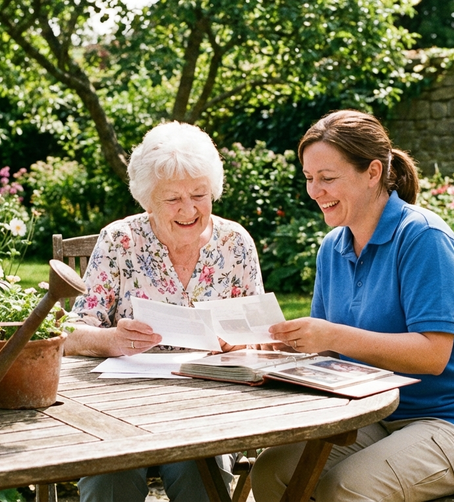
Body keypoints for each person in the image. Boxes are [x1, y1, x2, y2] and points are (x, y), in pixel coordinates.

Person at [250, 110, 454, 502]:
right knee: (271, 472)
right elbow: (328, 348)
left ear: (372, 172)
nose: (314, 191)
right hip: (374, 414)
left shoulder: (423, 237)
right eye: (309, 178)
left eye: (328, 178)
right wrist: (277, 345)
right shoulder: (332, 248)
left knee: (347, 488)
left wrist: (332, 335)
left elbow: (434, 355)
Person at [65, 121, 264, 502]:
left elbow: (260, 336)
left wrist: (240, 344)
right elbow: (69, 333)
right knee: (111, 477)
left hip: (208, 408)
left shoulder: (235, 243)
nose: (188, 209)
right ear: (147, 200)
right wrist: (111, 340)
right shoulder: (120, 240)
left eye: (199, 194)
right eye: (172, 198)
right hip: (123, 410)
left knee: (200, 473)